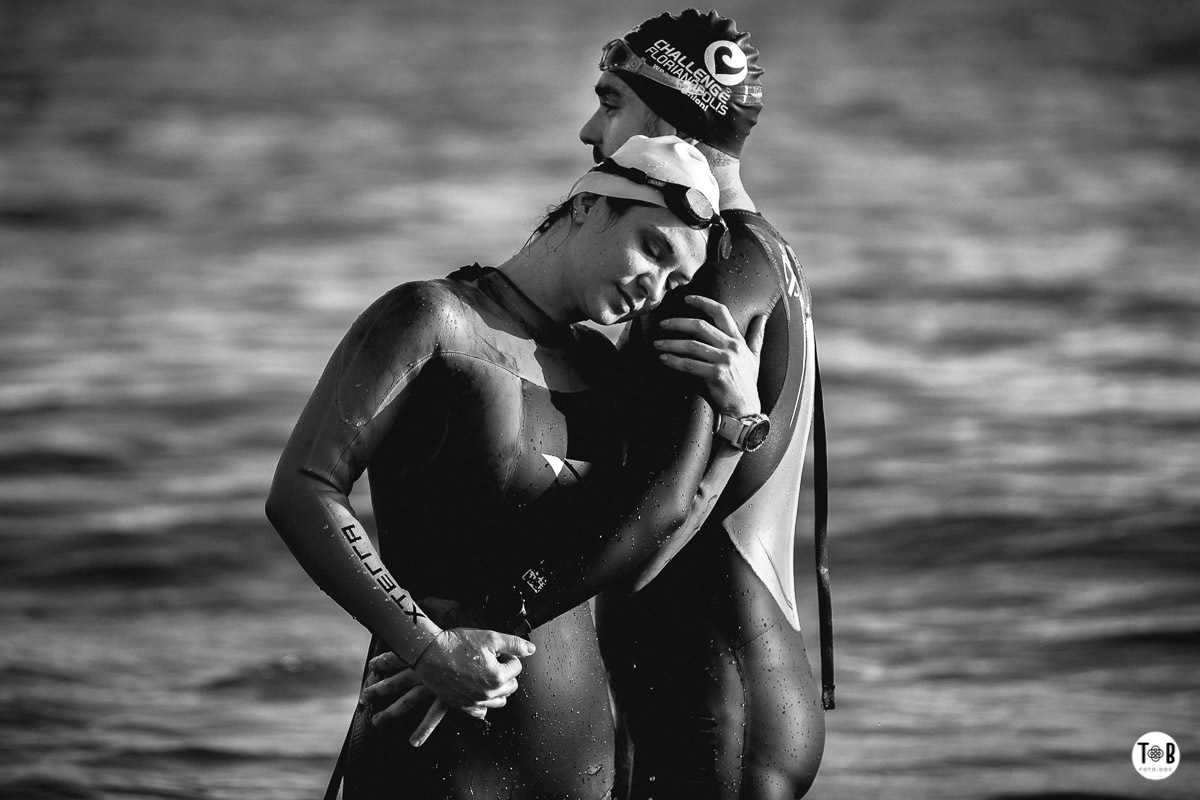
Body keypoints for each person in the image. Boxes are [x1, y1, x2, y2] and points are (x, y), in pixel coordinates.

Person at [369, 10, 831, 799]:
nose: (591, 129)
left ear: (664, 119)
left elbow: (660, 504)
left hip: (711, 689)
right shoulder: (764, 254)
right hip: (743, 673)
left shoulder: (708, 268)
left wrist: (469, 633)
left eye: (611, 102)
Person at [266, 134, 765, 800]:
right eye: (652, 248)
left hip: (579, 758)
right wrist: (426, 648)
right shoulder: (433, 322)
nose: (656, 288)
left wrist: (735, 426)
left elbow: (643, 549)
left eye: (676, 281)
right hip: (432, 748)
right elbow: (303, 489)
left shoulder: (607, 377)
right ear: (589, 205)